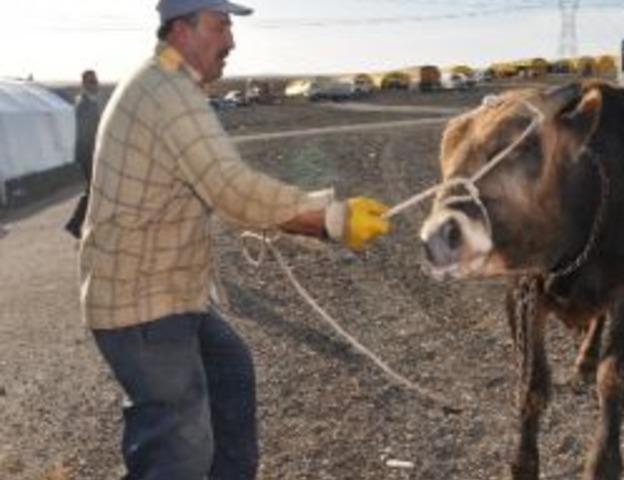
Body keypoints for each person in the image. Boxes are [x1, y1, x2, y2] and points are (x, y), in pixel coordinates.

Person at [79, 1, 391, 478]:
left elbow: (217, 186)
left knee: (230, 370)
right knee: (179, 446)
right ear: (183, 29)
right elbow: (233, 189)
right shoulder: (168, 94)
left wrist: (318, 207)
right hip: (141, 305)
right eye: (221, 25)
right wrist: (333, 219)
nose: (231, 41)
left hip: (167, 293)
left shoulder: (168, 82)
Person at [64, 69, 103, 239]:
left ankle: (80, 223)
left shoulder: (91, 103)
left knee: (94, 190)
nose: (95, 85)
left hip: (90, 153)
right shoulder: (83, 105)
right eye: (91, 82)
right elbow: (86, 133)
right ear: (84, 85)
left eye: (95, 81)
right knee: (93, 190)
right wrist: (96, 153)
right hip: (88, 154)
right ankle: (75, 223)